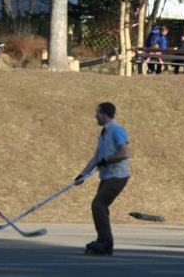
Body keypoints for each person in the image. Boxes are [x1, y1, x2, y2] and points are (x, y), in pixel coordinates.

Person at [75, 102, 131, 256]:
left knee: (98, 205)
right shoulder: (104, 133)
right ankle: (105, 241)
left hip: (118, 176)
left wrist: (107, 159)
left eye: (97, 113)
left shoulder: (117, 131)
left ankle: (105, 242)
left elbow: (124, 153)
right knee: (100, 207)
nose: (95, 116)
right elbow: (96, 158)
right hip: (107, 176)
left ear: (104, 115)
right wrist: (82, 175)